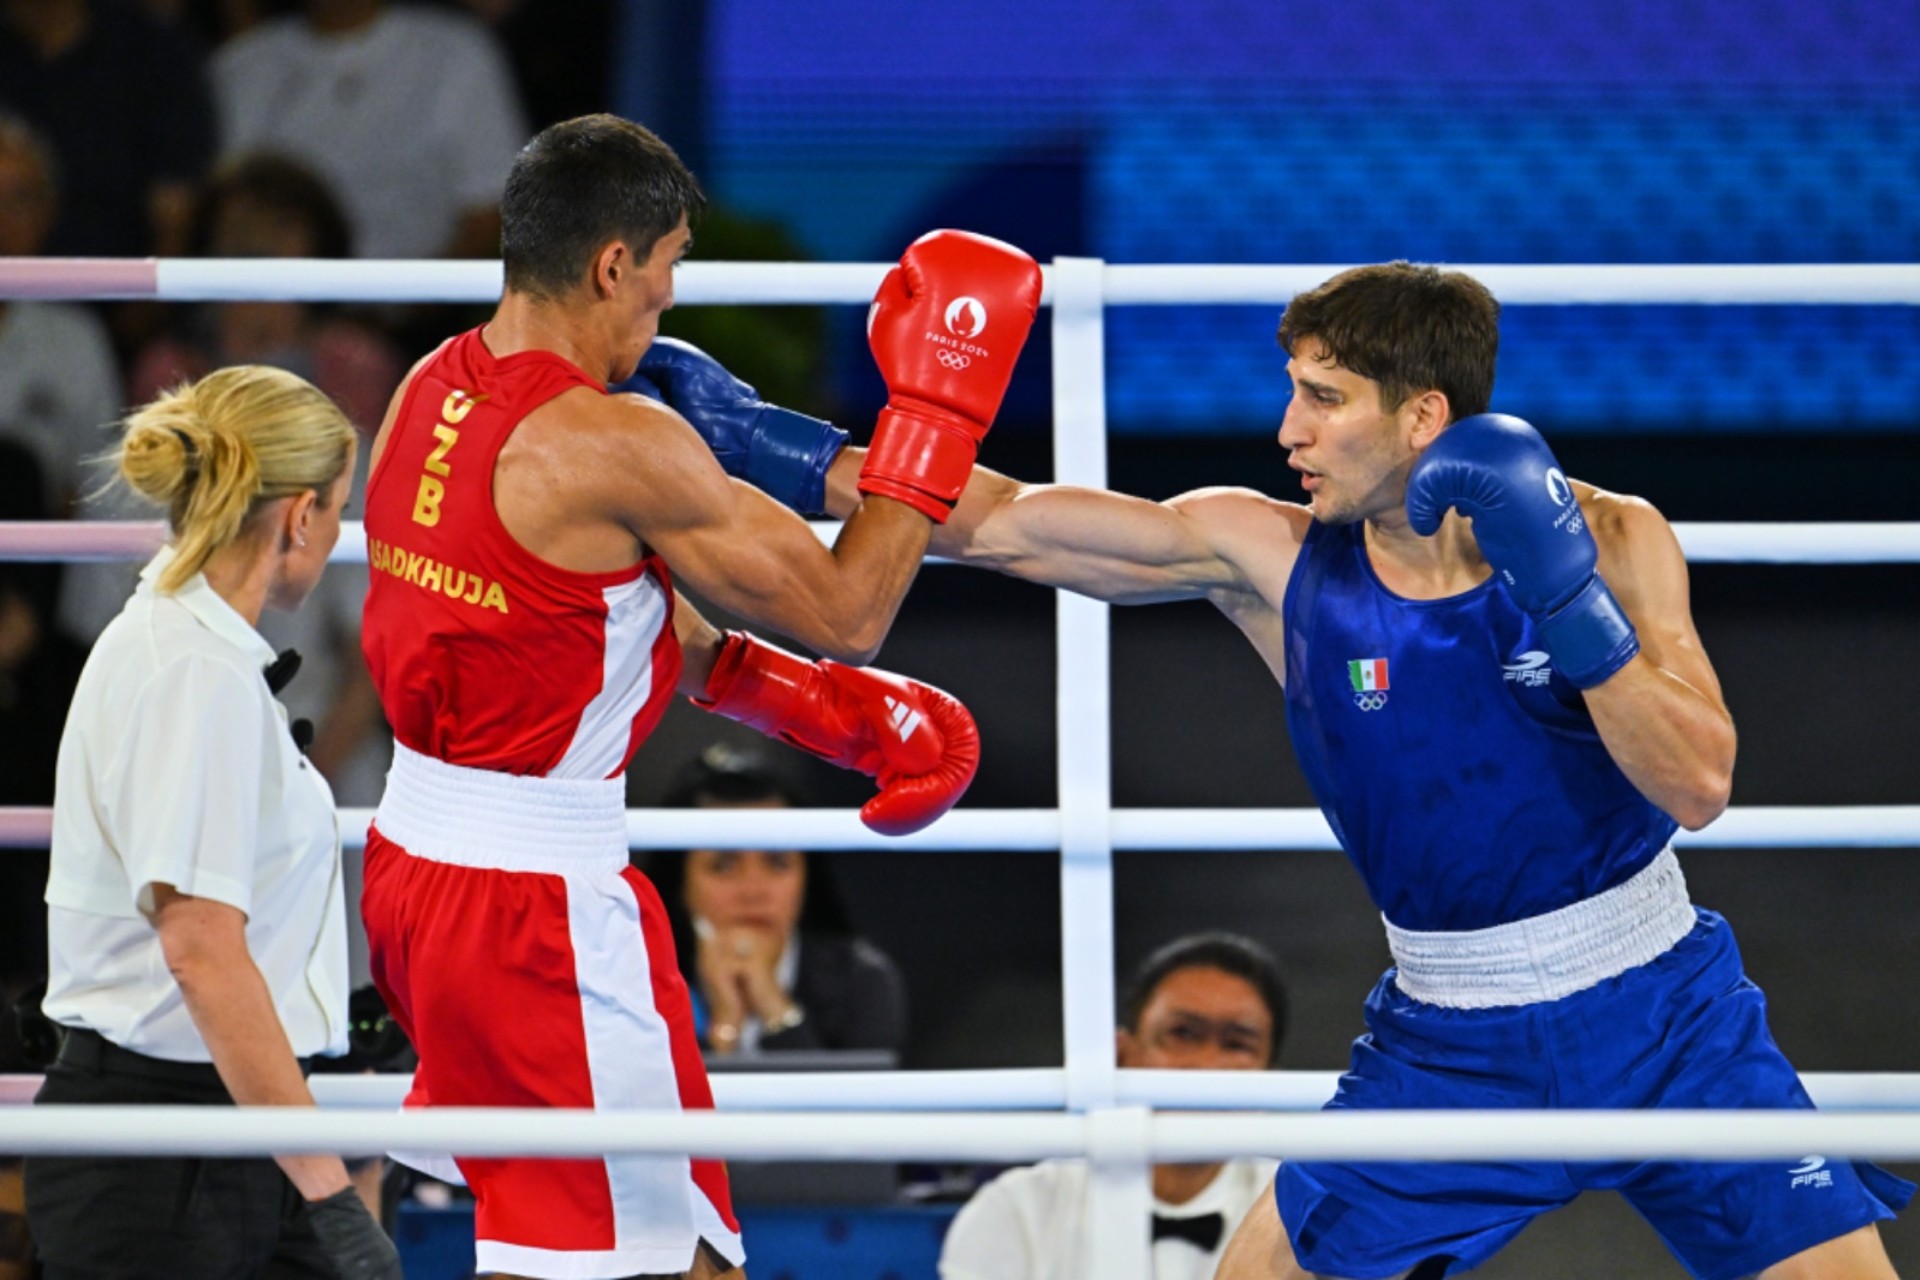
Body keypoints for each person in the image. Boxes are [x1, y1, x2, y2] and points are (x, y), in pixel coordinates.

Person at [639, 260, 1913, 1280]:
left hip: (1666, 1008)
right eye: (1292, 388)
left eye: (1324, 396)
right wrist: (766, 441)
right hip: (1447, 1037)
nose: (1286, 427)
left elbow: (1697, 781)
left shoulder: (1618, 536)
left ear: (1426, 419)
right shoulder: (1275, 556)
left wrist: (1568, 598)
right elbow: (1010, 524)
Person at [355, 113, 1041, 1280]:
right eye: (667, 273)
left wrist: (805, 706)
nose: (666, 306)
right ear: (612, 262)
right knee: (604, 1259)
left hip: (419, 871)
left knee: (645, 1245)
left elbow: (570, 618)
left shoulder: (432, 389)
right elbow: (848, 607)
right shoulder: (614, 442)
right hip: (533, 908)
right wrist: (937, 408)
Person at [24, 365, 400, 1280]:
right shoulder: (192, 672)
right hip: (169, 1148)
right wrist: (328, 1191)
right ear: (300, 514)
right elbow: (199, 948)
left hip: (220, 1128)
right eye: (339, 510)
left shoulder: (191, 652)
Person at [939, 932, 1288, 1280]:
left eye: (1237, 1044)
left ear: (1268, 1076)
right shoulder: (1016, 1208)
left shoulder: (1301, 1215)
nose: (1206, 1065)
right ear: (1123, 1055)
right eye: (1183, 1033)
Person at [211, 0, 529, 261]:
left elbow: (491, 213)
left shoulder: (457, 51)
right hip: (275, 311)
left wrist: (406, 309)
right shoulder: (240, 66)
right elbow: (219, 213)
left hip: (421, 315)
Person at [647, 742, 909, 1058]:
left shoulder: (862, 981)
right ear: (680, 883)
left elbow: (860, 1106)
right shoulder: (637, 984)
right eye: (723, 866)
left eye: (777, 863)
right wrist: (725, 1027)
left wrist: (776, 1009)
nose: (754, 891)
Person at [0, 113, 124, 517]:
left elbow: (102, 488)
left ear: (48, 213)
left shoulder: (77, 340)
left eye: (19, 200)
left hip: (44, 567)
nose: (2, 223)